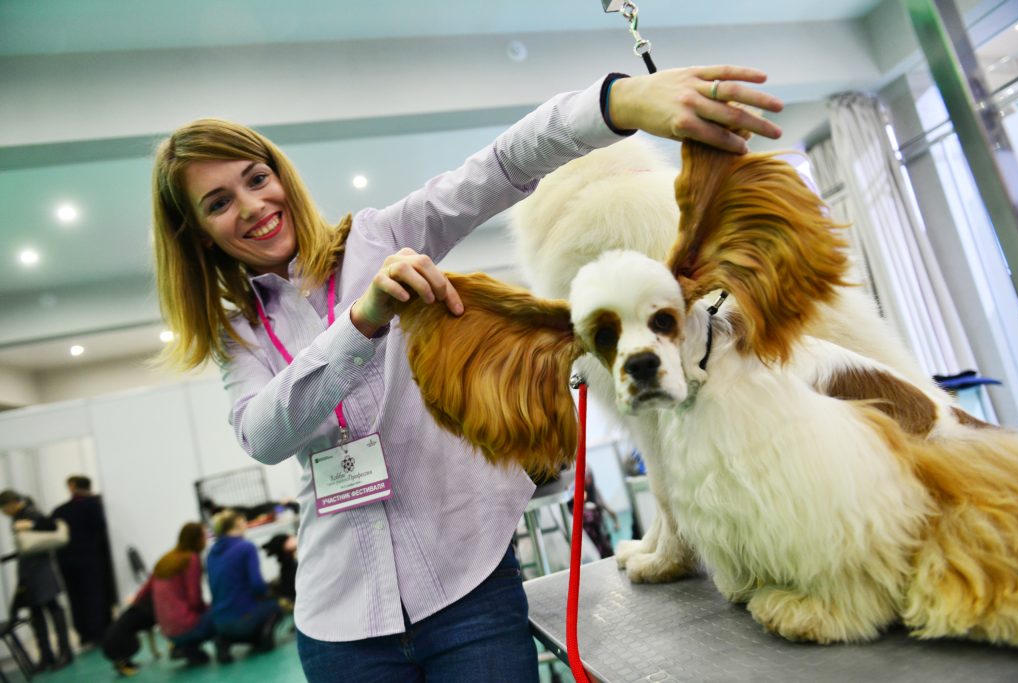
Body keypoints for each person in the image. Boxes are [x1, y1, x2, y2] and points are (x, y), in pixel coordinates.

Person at [150, 65, 783, 681]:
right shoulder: (234, 334)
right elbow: (263, 435)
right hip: (338, 629)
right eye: (219, 202)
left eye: (257, 178)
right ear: (199, 233)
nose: (254, 205)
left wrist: (617, 104)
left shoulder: (381, 237)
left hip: (469, 595)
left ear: (279, 173)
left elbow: (502, 165)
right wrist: (362, 321)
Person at [0, 489, 74, 672]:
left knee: (53, 609)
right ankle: (46, 655)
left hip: (41, 570)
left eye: (3, 509)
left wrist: (29, 525)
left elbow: (50, 526)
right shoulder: (19, 516)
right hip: (30, 571)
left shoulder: (30, 513)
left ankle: (65, 651)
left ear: (11, 504)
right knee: (36, 614)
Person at [51, 475, 118, 648]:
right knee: (94, 595)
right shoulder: (95, 505)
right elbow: (102, 531)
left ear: (72, 486)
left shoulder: (60, 511)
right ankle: (98, 632)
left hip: (67, 562)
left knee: (76, 597)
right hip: (92, 560)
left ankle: (85, 634)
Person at [206, 510, 282, 662]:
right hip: (243, 620)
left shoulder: (211, 553)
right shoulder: (246, 547)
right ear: (238, 524)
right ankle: (263, 640)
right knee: (276, 607)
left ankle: (225, 640)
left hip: (219, 622)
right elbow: (257, 585)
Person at [138, 521, 214, 666]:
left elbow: (144, 592)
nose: (206, 539)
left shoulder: (166, 559)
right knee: (219, 612)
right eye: (204, 536)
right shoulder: (191, 559)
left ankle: (182, 647)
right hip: (187, 626)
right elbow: (195, 600)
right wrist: (207, 609)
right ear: (197, 539)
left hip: (167, 632)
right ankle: (197, 645)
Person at [100, 585, 158, 677]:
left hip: (107, 643)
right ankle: (121, 662)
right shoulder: (147, 610)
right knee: (135, 645)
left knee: (130, 641)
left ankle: (124, 662)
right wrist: (155, 652)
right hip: (115, 643)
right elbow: (150, 631)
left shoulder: (137, 607)